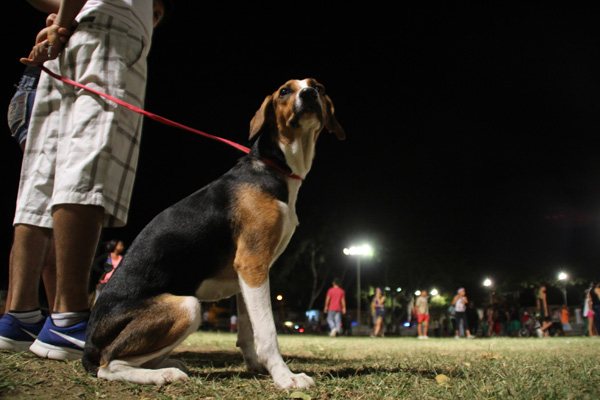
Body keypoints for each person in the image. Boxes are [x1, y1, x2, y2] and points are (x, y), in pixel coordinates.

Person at [0, 0, 167, 359]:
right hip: (109, 36)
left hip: (69, 40)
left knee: (42, 176)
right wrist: (65, 19)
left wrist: (64, 21)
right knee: (86, 163)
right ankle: (68, 318)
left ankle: (20, 316)